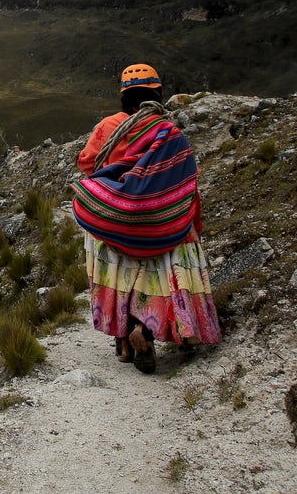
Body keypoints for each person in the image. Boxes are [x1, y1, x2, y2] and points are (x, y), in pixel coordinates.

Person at [71, 63, 221, 373]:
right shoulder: (168, 131)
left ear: (124, 96)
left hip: (117, 224)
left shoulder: (108, 127)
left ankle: (124, 336)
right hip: (161, 224)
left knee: (120, 280)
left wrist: (115, 187)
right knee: (157, 280)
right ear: (157, 93)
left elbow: (87, 163)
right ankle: (148, 331)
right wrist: (192, 224)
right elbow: (187, 181)